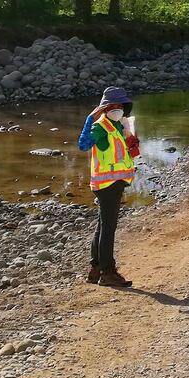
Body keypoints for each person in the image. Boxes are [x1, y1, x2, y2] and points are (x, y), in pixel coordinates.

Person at [78, 86, 140, 288]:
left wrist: (132, 142)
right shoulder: (100, 127)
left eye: (120, 105)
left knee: (102, 226)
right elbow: (83, 145)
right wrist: (89, 119)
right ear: (104, 108)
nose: (117, 109)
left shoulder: (118, 126)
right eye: (113, 106)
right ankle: (108, 272)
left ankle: (95, 269)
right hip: (107, 185)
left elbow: (123, 153)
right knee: (109, 228)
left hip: (113, 183)